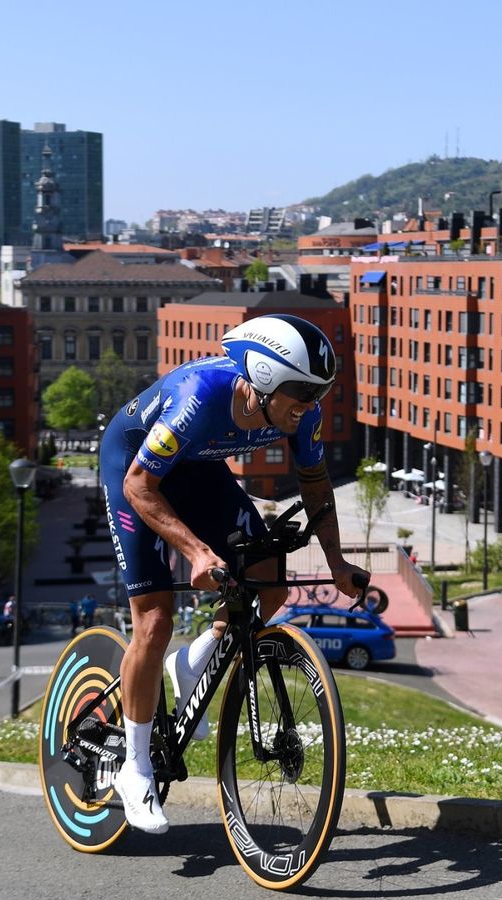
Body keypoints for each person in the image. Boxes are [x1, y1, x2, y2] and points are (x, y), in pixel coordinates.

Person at [100, 313, 369, 833]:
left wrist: (337, 565)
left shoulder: (298, 412)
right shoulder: (201, 394)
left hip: (197, 469)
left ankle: (193, 662)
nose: (310, 406)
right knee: (154, 621)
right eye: (301, 393)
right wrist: (198, 552)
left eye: (319, 393)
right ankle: (133, 768)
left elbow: (315, 484)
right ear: (264, 379)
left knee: (269, 584)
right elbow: (140, 487)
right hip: (133, 468)